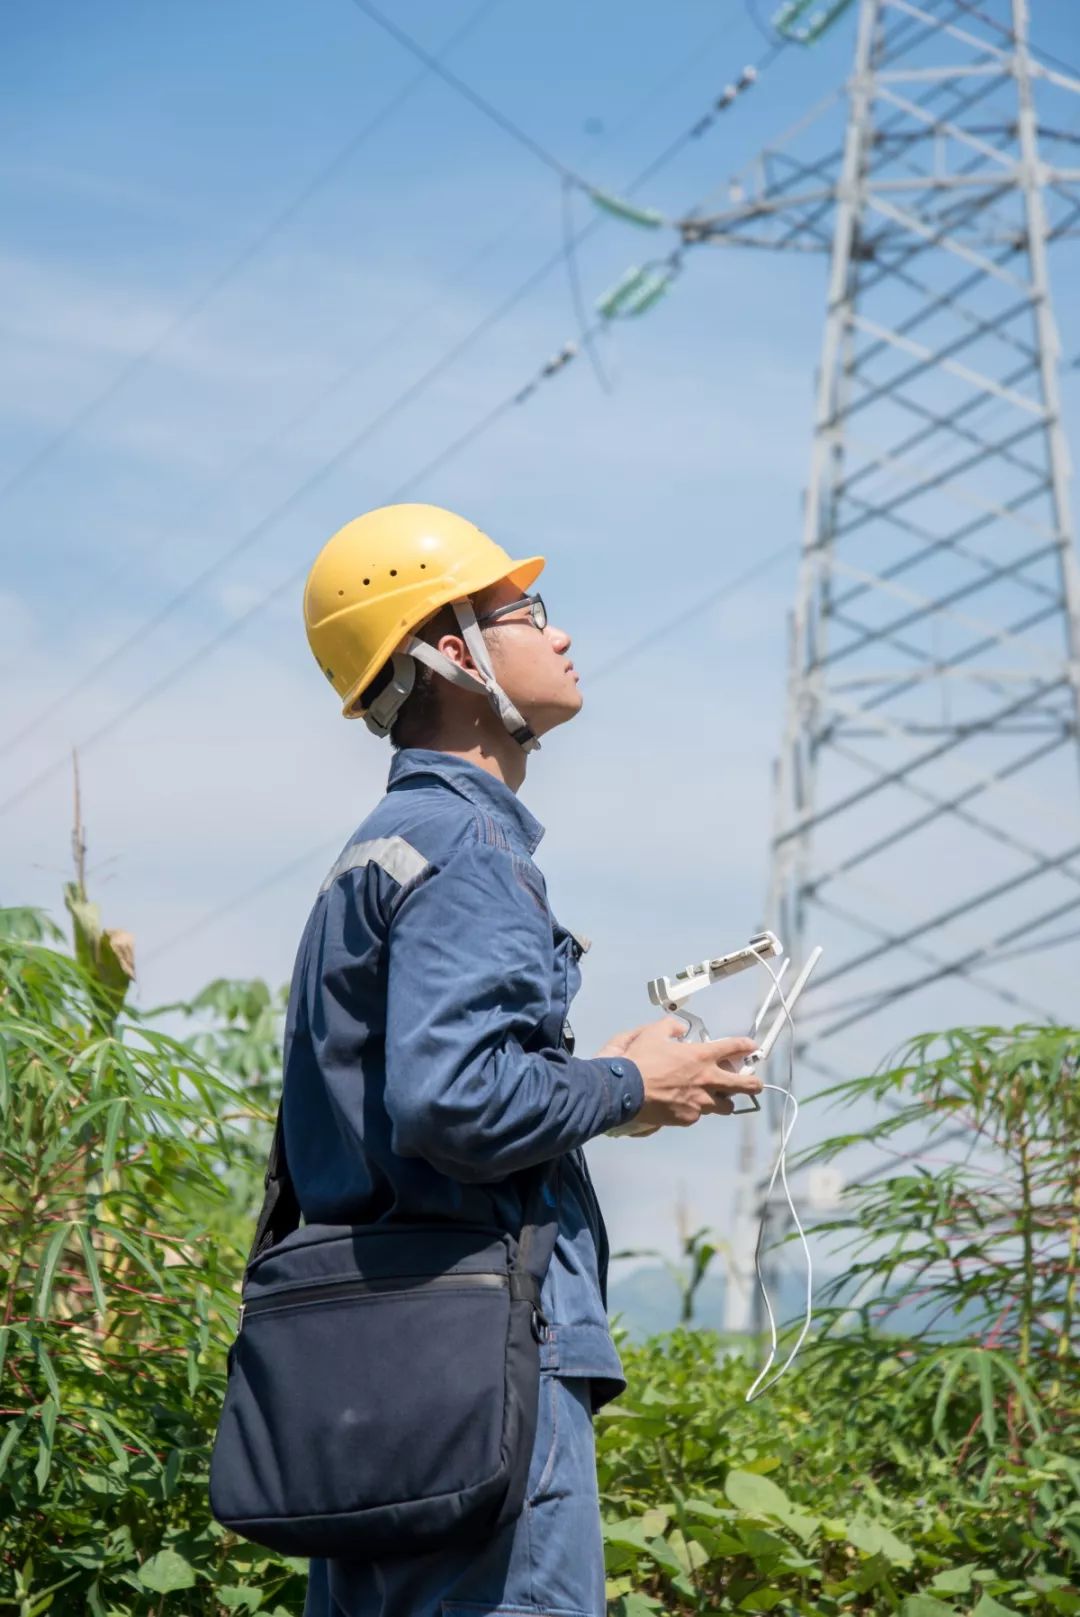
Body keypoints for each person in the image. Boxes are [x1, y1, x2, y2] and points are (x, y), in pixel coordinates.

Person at [289, 503, 761, 1617]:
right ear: (450, 652)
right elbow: (454, 1102)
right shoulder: (474, 849)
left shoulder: (383, 850)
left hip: (369, 1362)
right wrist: (633, 1083)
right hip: (477, 1362)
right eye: (524, 612)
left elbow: (417, 1105)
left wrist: (601, 1094)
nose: (557, 635)